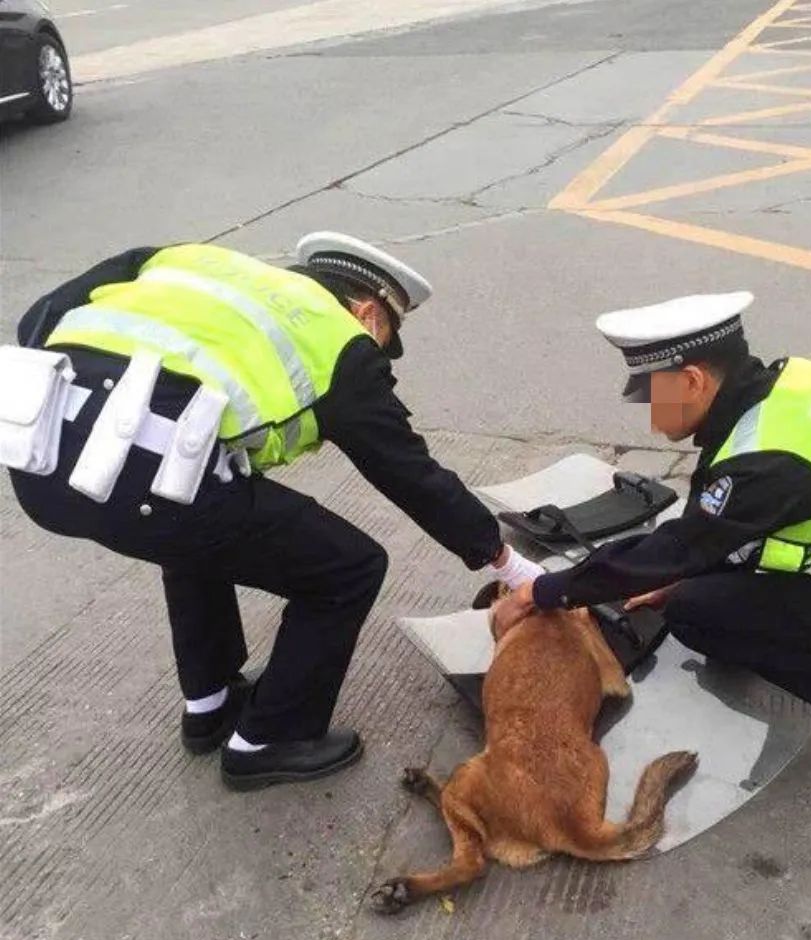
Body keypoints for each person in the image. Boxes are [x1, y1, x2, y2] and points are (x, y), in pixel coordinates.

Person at [7, 234, 541, 789]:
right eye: (385, 338)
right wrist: (505, 560)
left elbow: (36, 321)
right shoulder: (339, 343)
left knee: (192, 524)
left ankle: (209, 704)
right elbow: (411, 474)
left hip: (38, 465)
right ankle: (270, 737)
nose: (380, 357)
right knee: (350, 566)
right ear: (366, 312)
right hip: (142, 479)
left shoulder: (183, 261)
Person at [496, 292, 811, 757]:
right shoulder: (793, 386)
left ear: (691, 382)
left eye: (652, 397)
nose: (650, 418)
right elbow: (755, 523)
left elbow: (678, 548)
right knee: (705, 577)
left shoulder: (765, 461)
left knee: (694, 611)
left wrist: (541, 592)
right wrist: (693, 564)